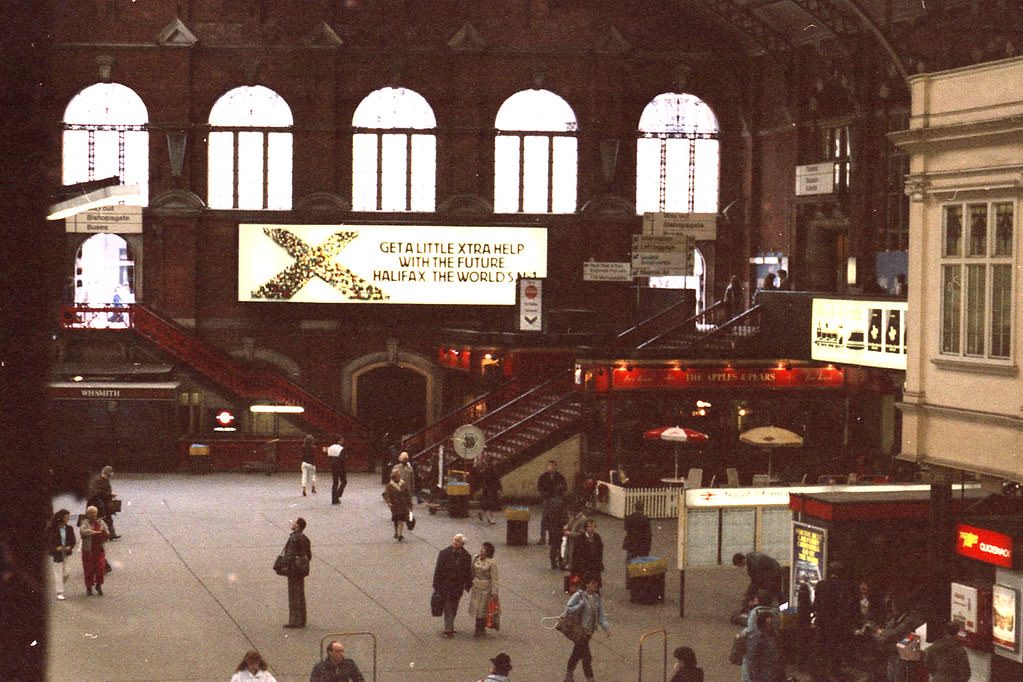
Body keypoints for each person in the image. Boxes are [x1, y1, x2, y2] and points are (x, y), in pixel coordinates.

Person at [812, 562, 859, 677]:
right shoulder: (844, 587)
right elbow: (846, 608)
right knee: (835, 651)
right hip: (838, 626)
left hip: (823, 624)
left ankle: (821, 674)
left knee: (822, 651)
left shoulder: (821, 585)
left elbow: (816, 605)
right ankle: (834, 672)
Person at [562, 574, 610, 682]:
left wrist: (606, 628)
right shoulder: (579, 596)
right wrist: (580, 605)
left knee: (577, 653)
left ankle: (568, 675)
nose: (595, 585)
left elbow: (601, 614)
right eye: (593, 583)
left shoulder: (597, 598)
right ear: (587, 584)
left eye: (596, 583)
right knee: (586, 657)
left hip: (589, 632)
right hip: (580, 631)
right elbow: (568, 609)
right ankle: (590, 678)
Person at [432, 532, 473, 638]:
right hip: (445, 585)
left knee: (454, 606)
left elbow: (468, 571)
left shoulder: (466, 556)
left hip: (457, 586)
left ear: (462, 544)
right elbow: (438, 569)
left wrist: (468, 584)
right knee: (447, 606)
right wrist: (436, 585)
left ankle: (450, 624)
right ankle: (448, 628)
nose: (455, 542)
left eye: (458, 541)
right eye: (454, 539)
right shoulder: (444, 553)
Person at [282, 517, 312, 628]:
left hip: (293, 569)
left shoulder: (294, 537)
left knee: (293, 594)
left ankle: (294, 620)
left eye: (294, 522)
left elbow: (289, 554)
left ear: (297, 526)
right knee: (300, 593)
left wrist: (285, 565)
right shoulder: (304, 538)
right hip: (301, 568)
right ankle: (302, 619)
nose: (292, 523)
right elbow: (309, 555)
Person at [468, 541, 499, 637]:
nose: (481, 550)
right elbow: (471, 572)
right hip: (476, 586)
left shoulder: (492, 563)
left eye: (484, 549)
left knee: (483, 608)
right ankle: (478, 627)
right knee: (476, 607)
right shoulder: (476, 559)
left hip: (486, 587)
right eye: (481, 548)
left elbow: (495, 578)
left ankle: (481, 627)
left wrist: (494, 592)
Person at [745, 609, 783, 682]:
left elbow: (779, 658)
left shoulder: (775, 636)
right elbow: (752, 661)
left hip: (774, 676)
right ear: (763, 625)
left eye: (773, 623)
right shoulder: (755, 639)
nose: (772, 626)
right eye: (769, 624)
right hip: (762, 676)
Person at [79, 505, 109, 596]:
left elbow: (107, 532)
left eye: (94, 512)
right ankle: (89, 587)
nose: (93, 515)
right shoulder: (84, 522)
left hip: (99, 550)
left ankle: (99, 585)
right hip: (88, 550)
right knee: (89, 570)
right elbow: (83, 531)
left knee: (100, 569)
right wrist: (95, 532)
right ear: (87, 514)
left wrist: (104, 535)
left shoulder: (101, 522)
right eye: (91, 513)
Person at [47, 509, 76, 600]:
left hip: (66, 553)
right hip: (57, 555)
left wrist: (70, 547)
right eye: (66, 517)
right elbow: (48, 542)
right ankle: (60, 592)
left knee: (67, 572)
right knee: (58, 573)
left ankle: (60, 586)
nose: (67, 519)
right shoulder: (52, 529)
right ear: (61, 518)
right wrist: (56, 548)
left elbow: (73, 541)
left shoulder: (69, 528)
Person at [537, 460, 567, 544]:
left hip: (557, 500)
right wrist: (544, 494)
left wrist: (560, 495)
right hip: (547, 500)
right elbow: (540, 487)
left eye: (553, 466)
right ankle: (542, 538)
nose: (551, 467)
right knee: (544, 518)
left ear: (556, 467)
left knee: (554, 519)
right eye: (550, 465)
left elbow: (564, 487)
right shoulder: (543, 477)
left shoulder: (560, 477)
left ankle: (552, 538)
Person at [622, 500, 652, 585]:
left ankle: (629, 581)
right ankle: (642, 581)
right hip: (642, 544)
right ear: (643, 508)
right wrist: (648, 545)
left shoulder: (629, 518)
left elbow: (626, 528)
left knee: (630, 562)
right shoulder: (645, 519)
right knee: (643, 562)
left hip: (631, 543)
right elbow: (648, 533)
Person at [87, 465, 119, 539]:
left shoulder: (105, 480)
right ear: (104, 473)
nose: (109, 477)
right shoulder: (97, 481)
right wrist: (109, 494)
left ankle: (111, 534)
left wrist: (110, 494)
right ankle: (105, 534)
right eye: (108, 475)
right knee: (101, 519)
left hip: (104, 502)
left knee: (108, 519)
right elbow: (97, 492)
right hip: (97, 503)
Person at [382, 466, 413, 541]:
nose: (399, 476)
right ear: (394, 476)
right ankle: (396, 531)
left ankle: (400, 533)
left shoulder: (403, 484)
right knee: (396, 519)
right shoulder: (389, 485)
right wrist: (389, 502)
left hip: (403, 504)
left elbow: (407, 494)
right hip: (395, 505)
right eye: (398, 475)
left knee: (401, 519)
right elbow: (387, 495)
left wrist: (410, 503)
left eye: (399, 475)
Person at [570, 519, 604, 583]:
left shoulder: (597, 537)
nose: (592, 529)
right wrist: (574, 569)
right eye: (590, 527)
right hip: (583, 566)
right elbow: (575, 554)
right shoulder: (580, 538)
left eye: (594, 526)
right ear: (585, 528)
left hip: (594, 566)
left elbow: (600, 551)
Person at [546, 493, 569, 570]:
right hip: (559, 527)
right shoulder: (562, 503)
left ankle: (553, 562)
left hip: (552, 526)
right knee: (560, 545)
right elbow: (563, 516)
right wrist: (565, 524)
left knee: (553, 545)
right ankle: (561, 562)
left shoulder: (550, 501)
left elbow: (546, 514)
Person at [476, 459, 502, 524]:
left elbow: (497, 480)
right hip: (489, 489)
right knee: (491, 503)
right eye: (494, 461)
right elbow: (490, 480)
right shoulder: (488, 471)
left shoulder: (493, 469)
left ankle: (482, 513)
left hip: (491, 488)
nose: (496, 462)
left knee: (489, 504)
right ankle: (490, 517)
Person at [326, 435, 346, 504]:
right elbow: (343, 459)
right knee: (344, 481)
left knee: (335, 483)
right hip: (340, 466)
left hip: (333, 466)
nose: (343, 441)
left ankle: (334, 498)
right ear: (339, 440)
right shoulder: (341, 448)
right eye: (342, 440)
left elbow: (328, 458)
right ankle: (338, 494)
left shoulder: (330, 448)